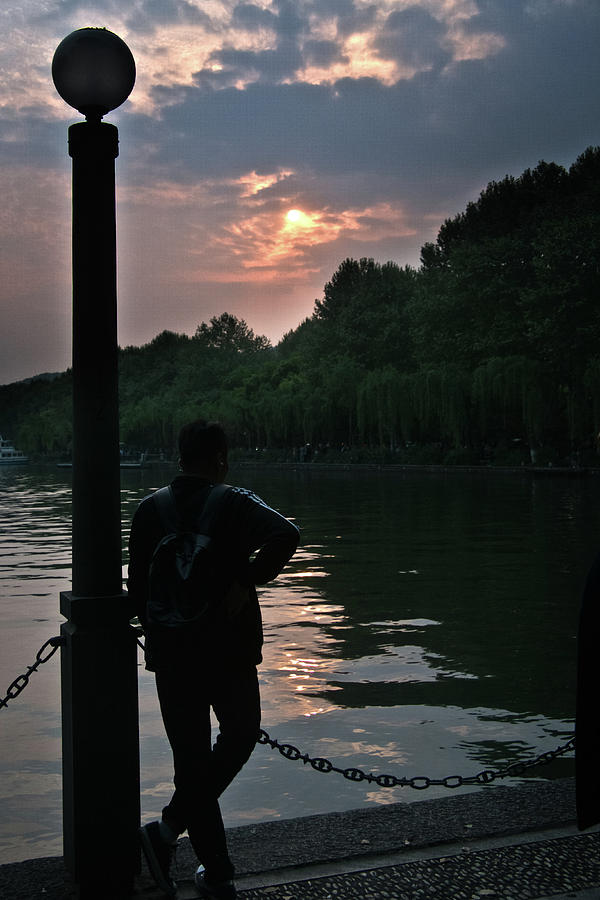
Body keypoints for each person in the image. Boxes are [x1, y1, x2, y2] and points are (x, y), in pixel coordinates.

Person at [128, 420, 299, 899]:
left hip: (172, 652)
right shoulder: (234, 503)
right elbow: (287, 533)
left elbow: (137, 587)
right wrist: (246, 579)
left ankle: (173, 837)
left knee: (191, 759)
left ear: (179, 457)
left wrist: (160, 629)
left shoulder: (147, 511)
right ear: (220, 458)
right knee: (241, 734)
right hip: (229, 649)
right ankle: (207, 863)